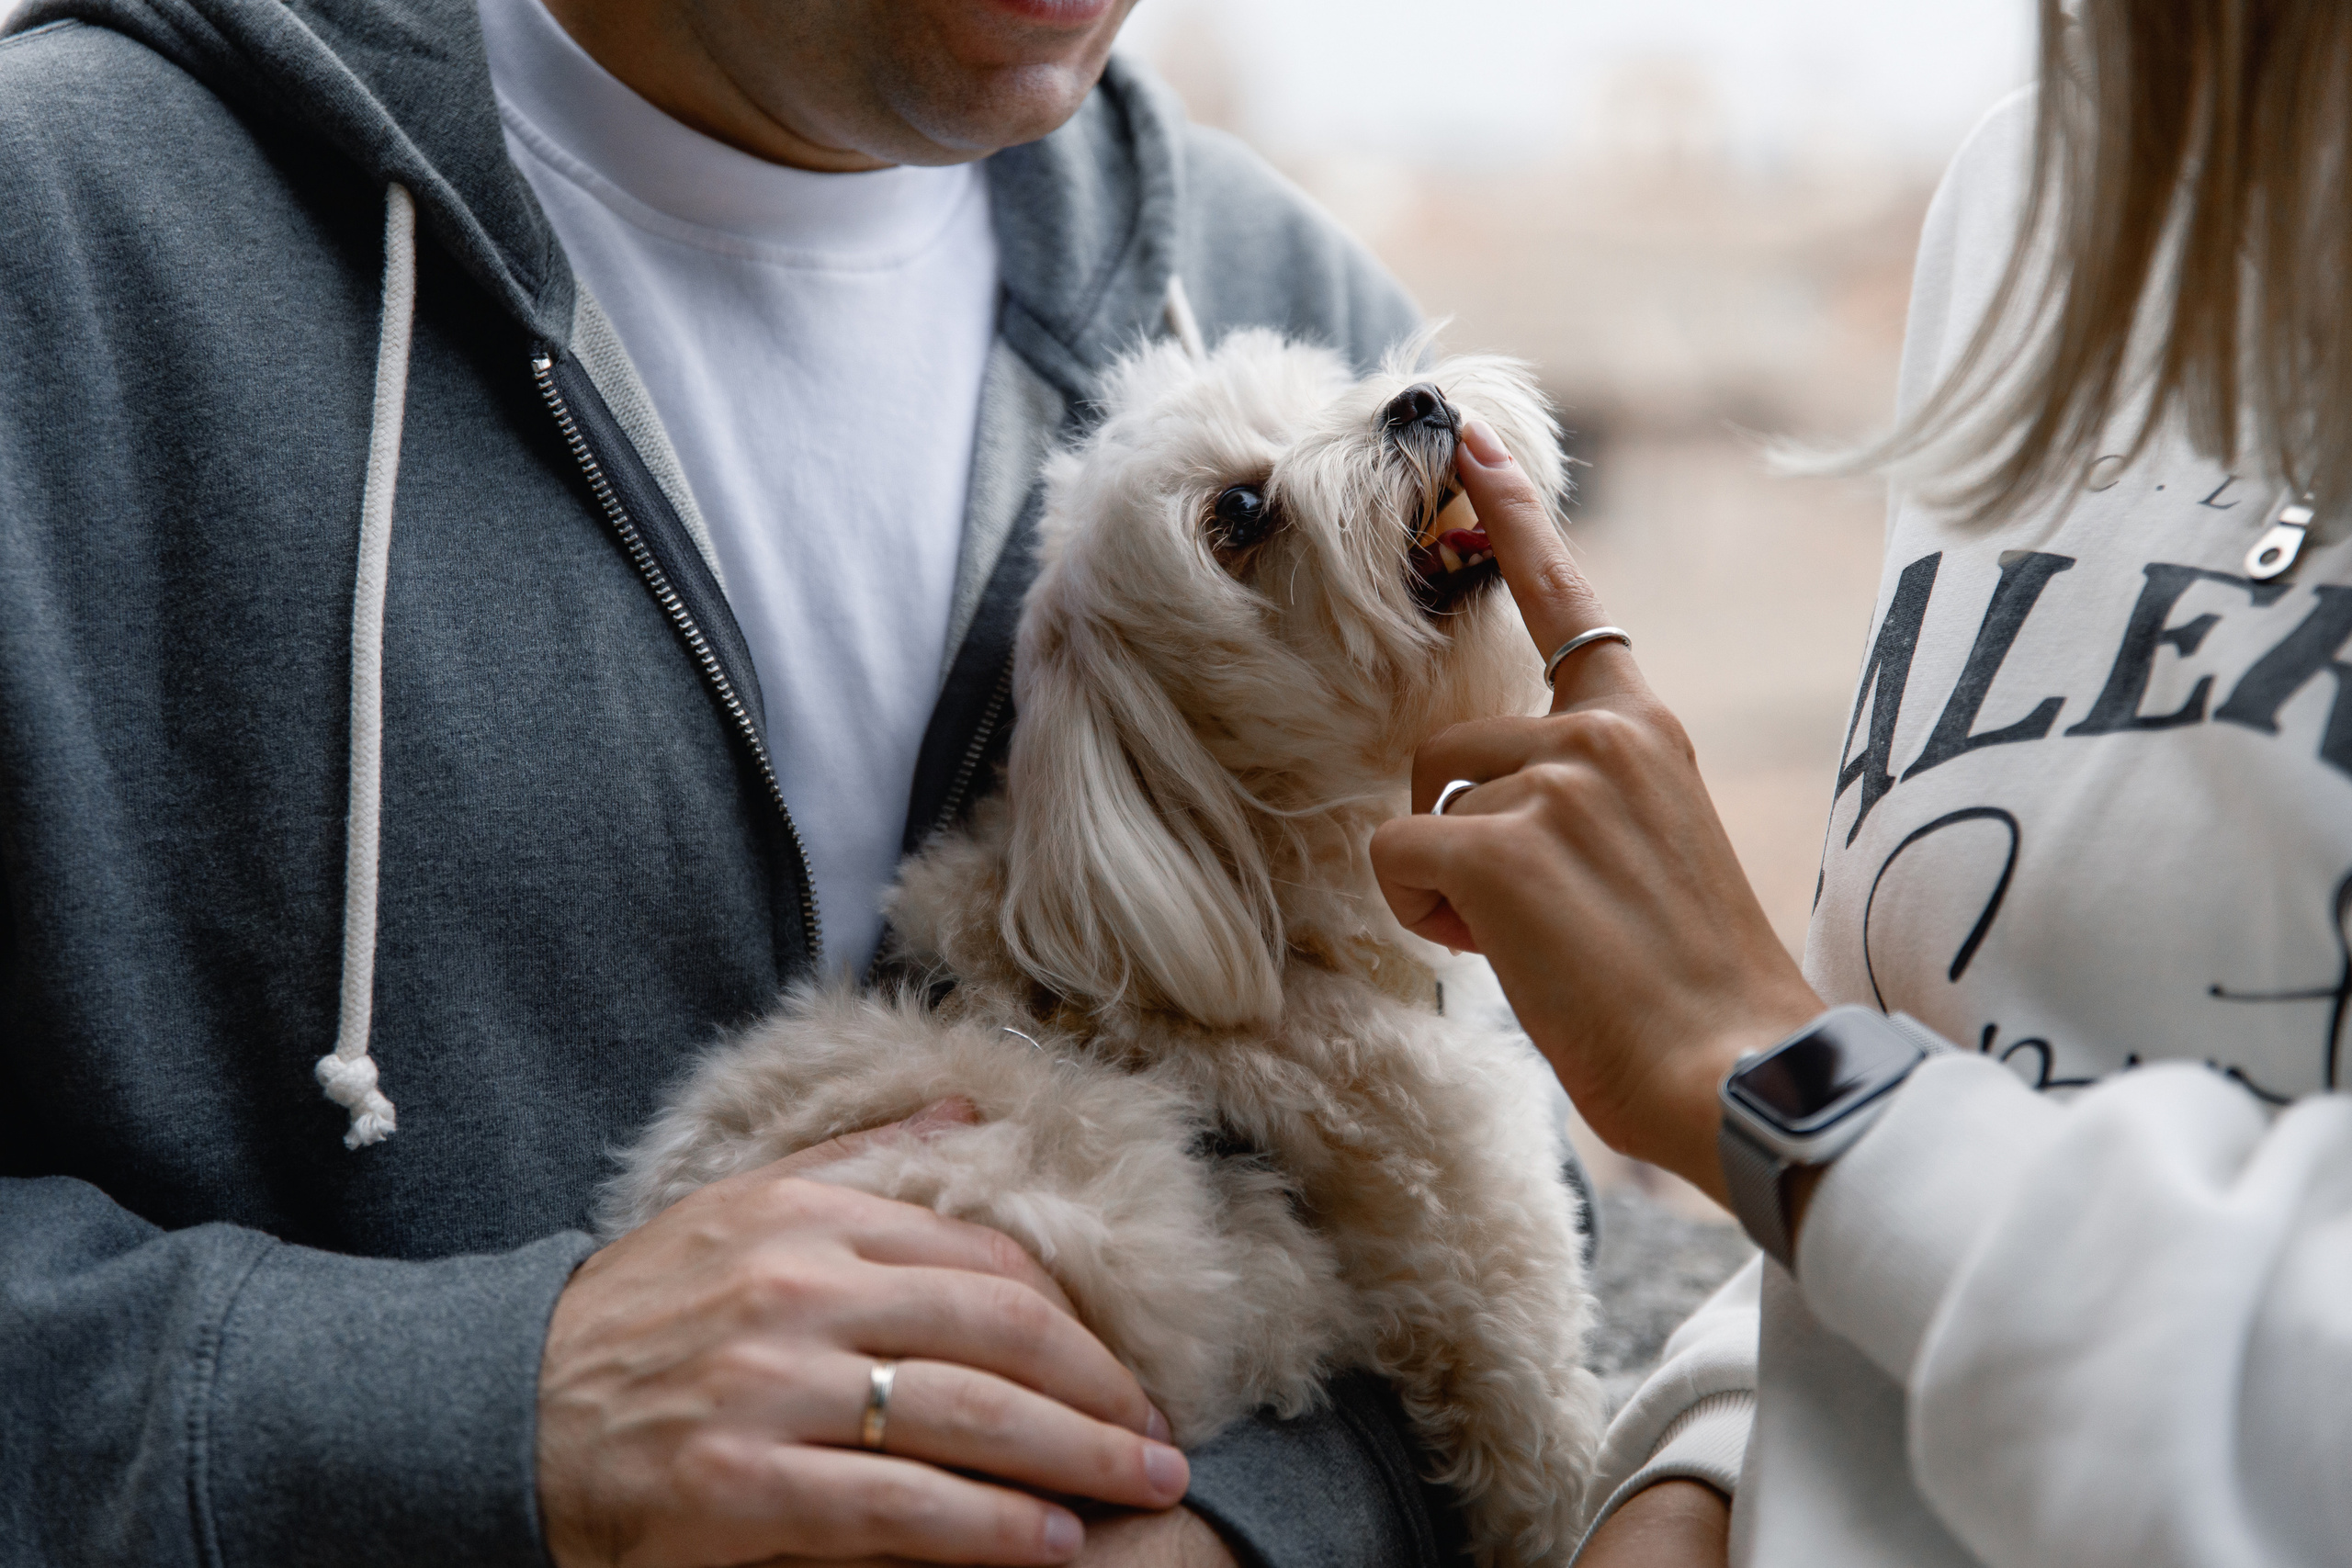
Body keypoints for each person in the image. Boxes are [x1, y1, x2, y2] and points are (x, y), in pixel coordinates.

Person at [0, 0, 1458, 1562]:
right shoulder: (59, 232)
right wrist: (474, 1410)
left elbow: (1478, 1225)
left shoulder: (1274, 317)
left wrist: (1243, 1531)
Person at [1374, 2, 2352, 1563]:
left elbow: (1840, 1119)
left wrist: (1760, 1062)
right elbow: (1950, 1103)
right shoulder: (2053, 191)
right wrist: (1695, 1470)